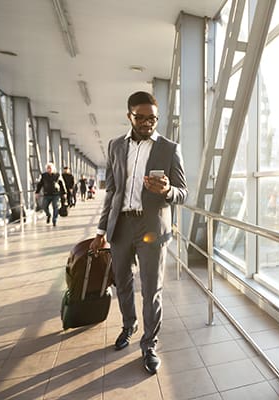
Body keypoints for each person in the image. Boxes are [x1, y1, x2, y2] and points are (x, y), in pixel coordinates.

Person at [90, 91, 187, 374]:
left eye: (153, 118)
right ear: (129, 116)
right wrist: (100, 229)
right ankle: (128, 326)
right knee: (122, 282)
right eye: (141, 117)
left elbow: (184, 192)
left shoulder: (170, 148)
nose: (147, 123)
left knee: (151, 288)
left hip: (152, 228)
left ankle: (149, 344)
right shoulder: (116, 146)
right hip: (120, 226)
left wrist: (168, 190)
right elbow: (112, 191)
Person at [35, 162, 65, 227]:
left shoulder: (57, 175)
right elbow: (40, 184)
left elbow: (61, 184)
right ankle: (48, 215)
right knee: (44, 206)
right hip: (46, 194)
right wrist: (37, 192)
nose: (49, 169)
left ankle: (54, 220)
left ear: (53, 168)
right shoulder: (44, 175)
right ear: (46, 169)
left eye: (50, 168)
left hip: (55, 194)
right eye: (48, 168)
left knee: (55, 207)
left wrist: (64, 193)